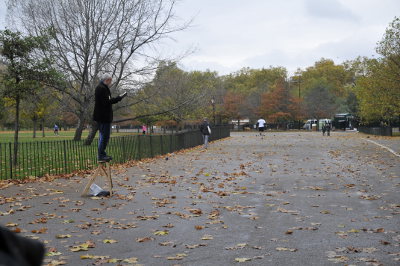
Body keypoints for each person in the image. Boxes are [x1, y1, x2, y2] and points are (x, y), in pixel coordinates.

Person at [93, 74, 126, 162]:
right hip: (103, 117)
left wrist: (117, 98)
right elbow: (106, 102)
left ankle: (102, 154)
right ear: (106, 80)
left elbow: (107, 101)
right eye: (110, 81)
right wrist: (119, 98)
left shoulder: (103, 88)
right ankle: (101, 155)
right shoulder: (101, 88)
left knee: (103, 136)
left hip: (104, 116)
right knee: (104, 136)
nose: (110, 82)